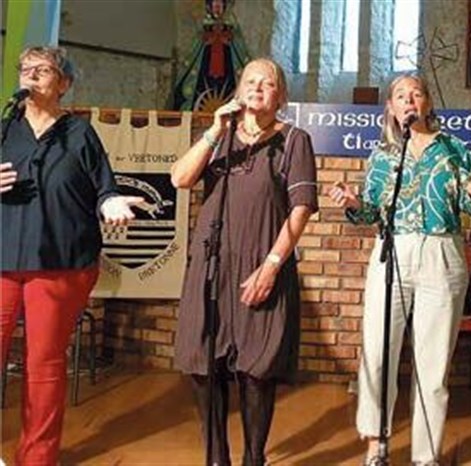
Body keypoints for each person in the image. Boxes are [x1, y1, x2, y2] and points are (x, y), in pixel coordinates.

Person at [329, 74, 471, 465]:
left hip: (441, 252)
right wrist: (353, 203)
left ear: (427, 103)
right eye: (400, 95)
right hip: (393, 251)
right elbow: (371, 212)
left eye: (416, 94)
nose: (409, 100)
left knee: (432, 365)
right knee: (377, 352)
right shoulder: (382, 155)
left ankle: (426, 456)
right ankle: (376, 444)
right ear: (390, 107)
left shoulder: (453, 148)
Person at [172, 58, 318, 466]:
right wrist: (214, 130)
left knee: (257, 368)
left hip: (261, 265)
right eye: (250, 81)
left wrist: (271, 265)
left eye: (267, 83)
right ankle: (216, 457)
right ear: (237, 91)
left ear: (280, 95)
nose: (257, 88)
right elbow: (180, 178)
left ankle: (254, 457)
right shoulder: (219, 136)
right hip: (211, 266)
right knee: (203, 363)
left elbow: (300, 209)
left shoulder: (294, 140)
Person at [0, 46, 141, 465]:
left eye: (42, 70)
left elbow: (104, 188)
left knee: (43, 363)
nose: (31, 75)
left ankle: (36, 458)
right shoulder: (4, 129)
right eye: (25, 69)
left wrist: (111, 203)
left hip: (59, 262)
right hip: (3, 257)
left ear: (63, 84)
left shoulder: (79, 134)